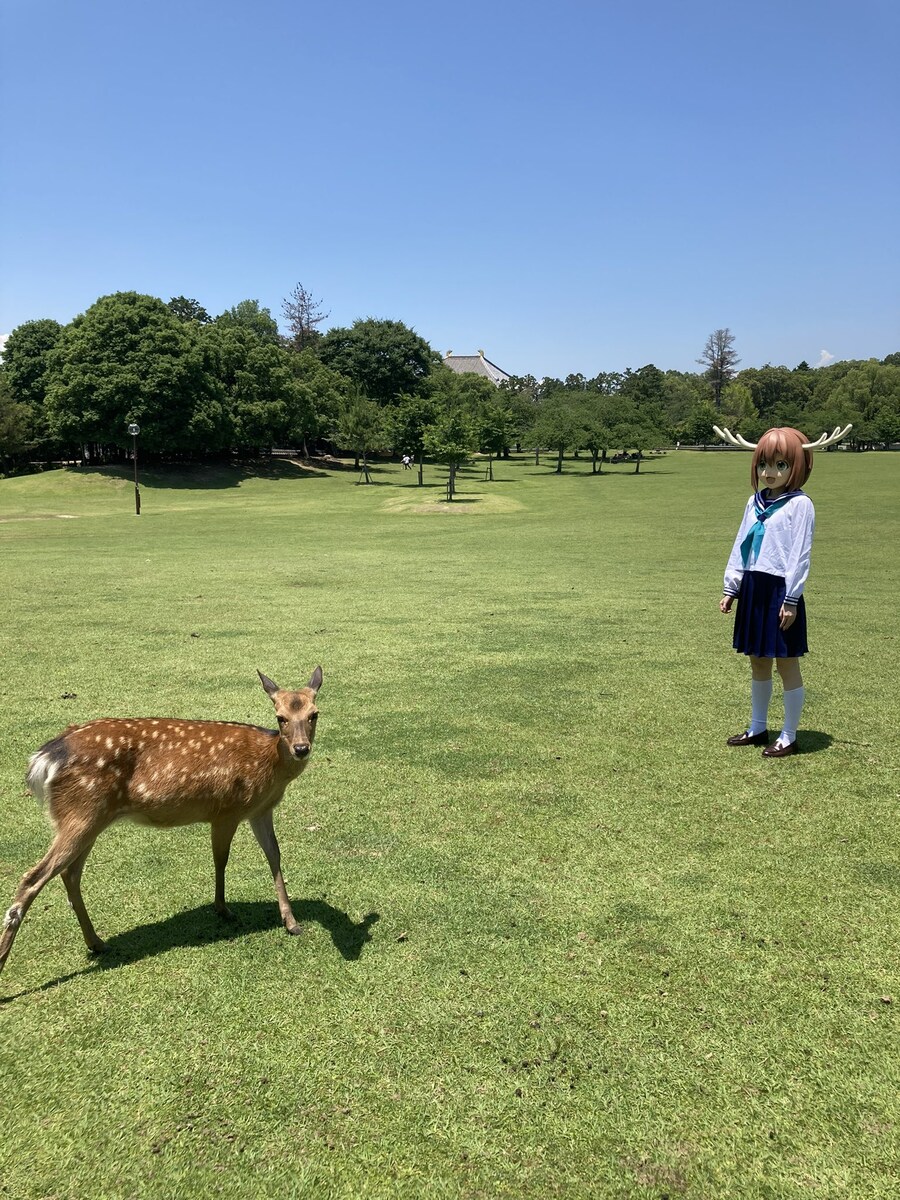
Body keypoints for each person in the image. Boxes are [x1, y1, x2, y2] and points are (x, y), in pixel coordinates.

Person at [716, 424, 849, 758]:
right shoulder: (754, 501)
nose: (769, 472)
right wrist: (732, 586)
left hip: (780, 591)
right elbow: (741, 544)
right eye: (763, 464)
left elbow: (799, 554)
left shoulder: (801, 505)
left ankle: (788, 735)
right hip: (753, 587)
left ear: (798, 466)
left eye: (780, 464)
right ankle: (758, 727)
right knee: (758, 662)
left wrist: (791, 598)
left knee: (786, 664)